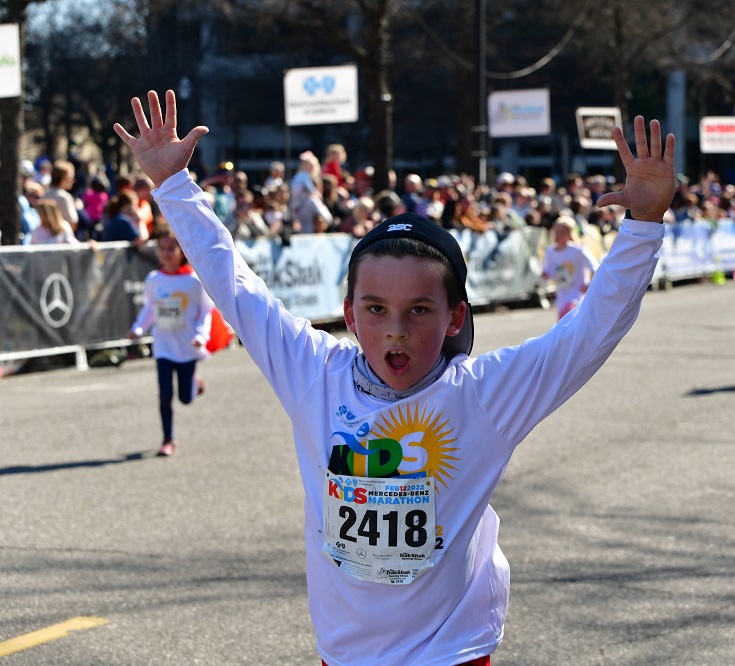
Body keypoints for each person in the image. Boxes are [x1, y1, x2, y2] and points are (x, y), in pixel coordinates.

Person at [115, 89, 674, 666]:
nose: (396, 332)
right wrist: (173, 187)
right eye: (376, 310)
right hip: (344, 654)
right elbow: (235, 285)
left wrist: (644, 224)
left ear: (455, 315)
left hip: (451, 653)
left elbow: (591, 331)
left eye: (420, 310)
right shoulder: (313, 372)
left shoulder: (483, 394)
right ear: (351, 314)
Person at [127, 225, 213, 457]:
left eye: (171, 248)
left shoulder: (194, 283)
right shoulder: (154, 280)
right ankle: (168, 438)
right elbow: (150, 310)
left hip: (186, 347)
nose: (166, 253)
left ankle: (194, 383)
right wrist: (137, 329)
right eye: (162, 248)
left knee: (185, 398)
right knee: (165, 394)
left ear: (182, 251)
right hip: (163, 346)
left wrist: (200, 336)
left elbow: (205, 313)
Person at [541, 215, 601, 320]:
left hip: (576, 295)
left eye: (562, 233)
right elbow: (548, 272)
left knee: (569, 319)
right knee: (564, 326)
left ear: (570, 234)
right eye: (556, 232)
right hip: (561, 296)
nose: (558, 235)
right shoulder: (550, 251)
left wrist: (589, 285)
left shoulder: (577, 251)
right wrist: (545, 275)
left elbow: (594, 267)